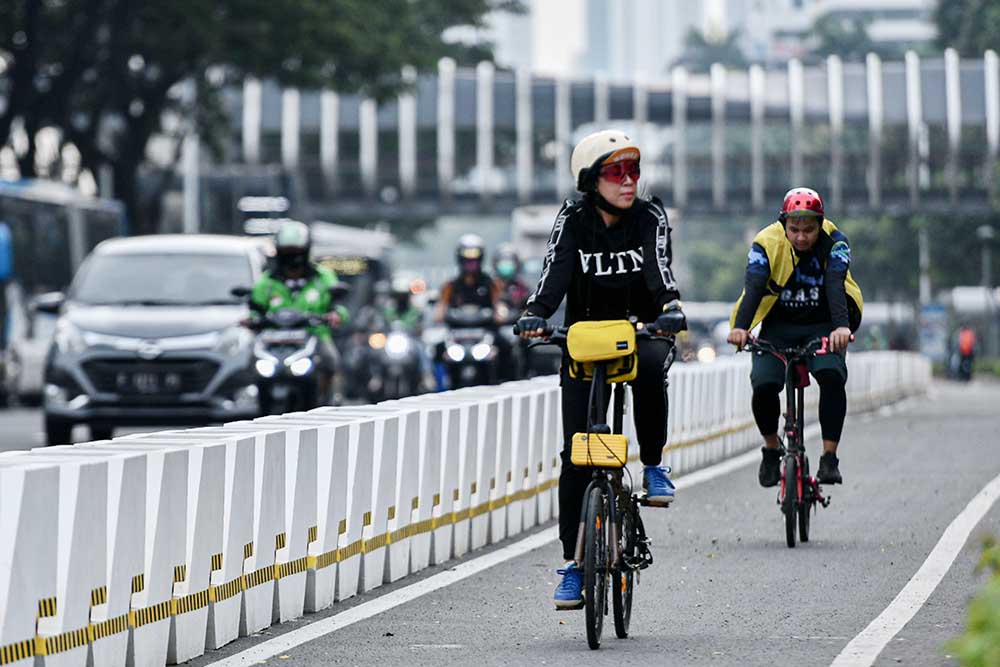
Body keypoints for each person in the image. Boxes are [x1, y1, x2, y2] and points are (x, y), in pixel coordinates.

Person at [515, 129, 687, 610]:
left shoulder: (650, 216)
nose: (629, 181)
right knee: (577, 455)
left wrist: (670, 308)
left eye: (633, 171)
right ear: (591, 180)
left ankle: (652, 465)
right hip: (585, 340)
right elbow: (553, 273)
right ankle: (573, 563)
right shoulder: (573, 218)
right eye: (616, 173)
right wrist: (534, 314)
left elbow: (659, 271)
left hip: (642, 332)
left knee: (650, 368)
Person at [727, 187, 863, 489]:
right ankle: (771, 448)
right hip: (778, 326)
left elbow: (835, 282)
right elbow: (754, 285)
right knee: (764, 384)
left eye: (809, 230)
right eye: (794, 230)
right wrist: (741, 327)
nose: (801, 238)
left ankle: (829, 457)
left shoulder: (835, 241)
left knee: (831, 376)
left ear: (820, 225)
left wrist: (841, 328)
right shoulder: (766, 243)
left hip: (823, 325)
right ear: (783, 224)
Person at [250, 221, 349, 397]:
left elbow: (338, 307)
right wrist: (252, 320)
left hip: (314, 335)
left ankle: (328, 398)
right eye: (287, 252)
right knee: (250, 362)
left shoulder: (323, 277)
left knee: (331, 360)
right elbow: (255, 307)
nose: (292, 258)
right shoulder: (267, 281)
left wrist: (336, 315)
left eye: (297, 252)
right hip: (274, 340)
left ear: (306, 251)